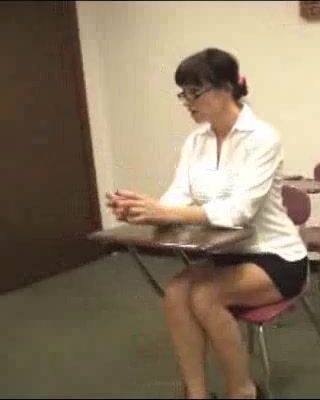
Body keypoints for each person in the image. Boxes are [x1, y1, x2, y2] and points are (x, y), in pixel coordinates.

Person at [106, 47, 308, 399]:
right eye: (182, 93)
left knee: (204, 296)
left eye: (194, 92)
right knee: (175, 293)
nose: (187, 102)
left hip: (276, 256)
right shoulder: (195, 141)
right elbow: (179, 194)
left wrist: (164, 213)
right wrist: (144, 210)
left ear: (227, 88)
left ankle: (242, 391)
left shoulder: (262, 138)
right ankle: (196, 395)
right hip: (226, 254)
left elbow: (240, 211)